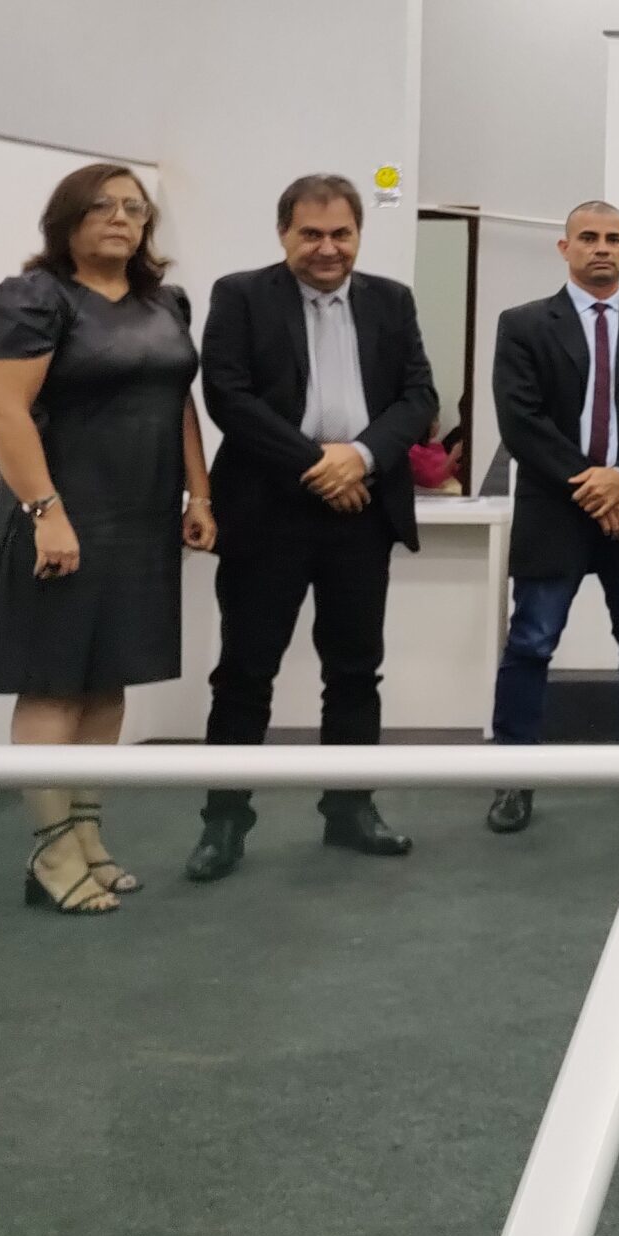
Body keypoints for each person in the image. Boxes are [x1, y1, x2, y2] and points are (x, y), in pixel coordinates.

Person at [0, 165, 216, 913]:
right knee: (53, 682)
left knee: (107, 682)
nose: (121, 217)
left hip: (140, 518)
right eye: (102, 205)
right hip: (58, 517)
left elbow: (177, 400)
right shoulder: (35, 298)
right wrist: (47, 512)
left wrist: (199, 492)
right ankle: (51, 852)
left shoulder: (164, 302)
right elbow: (3, 410)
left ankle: (87, 839)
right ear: (67, 218)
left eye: (135, 208)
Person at [186, 174, 438, 882]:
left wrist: (360, 457)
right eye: (311, 234)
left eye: (342, 234)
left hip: (362, 512)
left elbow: (418, 395)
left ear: (358, 234)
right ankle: (224, 822)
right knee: (245, 673)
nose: (328, 248)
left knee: (355, 670)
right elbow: (228, 396)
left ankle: (349, 809)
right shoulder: (241, 296)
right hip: (268, 511)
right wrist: (319, 464)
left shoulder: (391, 300)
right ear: (283, 234)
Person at [484, 201, 619, 834]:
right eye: (589, 238)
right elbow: (520, 420)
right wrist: (596, 487)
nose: (601, 247)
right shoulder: (523, 324)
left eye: (613, 238)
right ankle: (513, 776)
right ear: (565, 248)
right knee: (532, 640)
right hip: (555, 507)